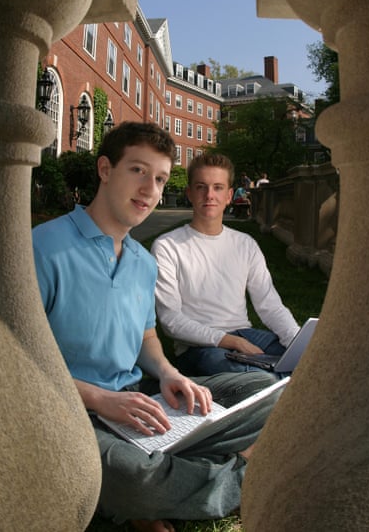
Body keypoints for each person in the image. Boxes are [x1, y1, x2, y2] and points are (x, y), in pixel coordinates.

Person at [32, 122, 283, 532]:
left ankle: (169, 471)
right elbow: (19, 362)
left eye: (161, 178)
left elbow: (147, 336)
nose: (150, 188)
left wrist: (169, 374)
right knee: (136, 480)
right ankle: (254, 478)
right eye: (138, 170)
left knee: (262, 392)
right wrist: (100, 400)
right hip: (71, 410)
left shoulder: (143, 262)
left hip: (141, 398)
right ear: (105, 169)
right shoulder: (44, 247)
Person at [151, 153, 299, 378]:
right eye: (201, 187)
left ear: (230, 195)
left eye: (218, 187)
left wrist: (300, 345)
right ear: (189, 193)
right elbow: (171, 321)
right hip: (199, 346)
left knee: (307, 363)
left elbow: (270, 305)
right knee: (257, 379)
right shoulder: (167, 246)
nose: (209, 195)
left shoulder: (245, 244)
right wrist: (230, 341)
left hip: (247, 334)